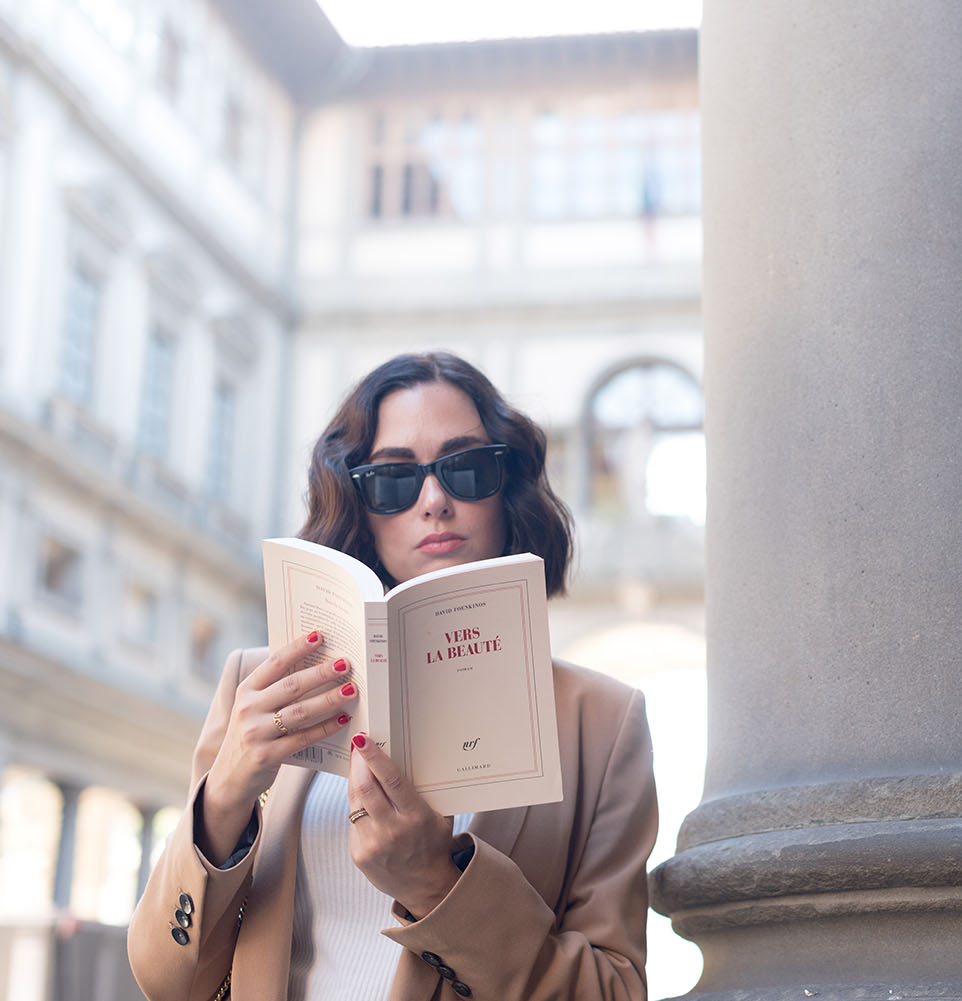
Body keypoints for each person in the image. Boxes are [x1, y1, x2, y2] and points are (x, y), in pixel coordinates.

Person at [127, 352, 657, 1001]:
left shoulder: (600, 723)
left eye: (467, 468)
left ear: (507, 485)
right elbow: (165, 979)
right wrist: (223, 800)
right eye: (393, 478)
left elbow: (614, 991)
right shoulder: (259, 685)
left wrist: (437, 883)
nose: (434, 500)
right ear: (358, 501)